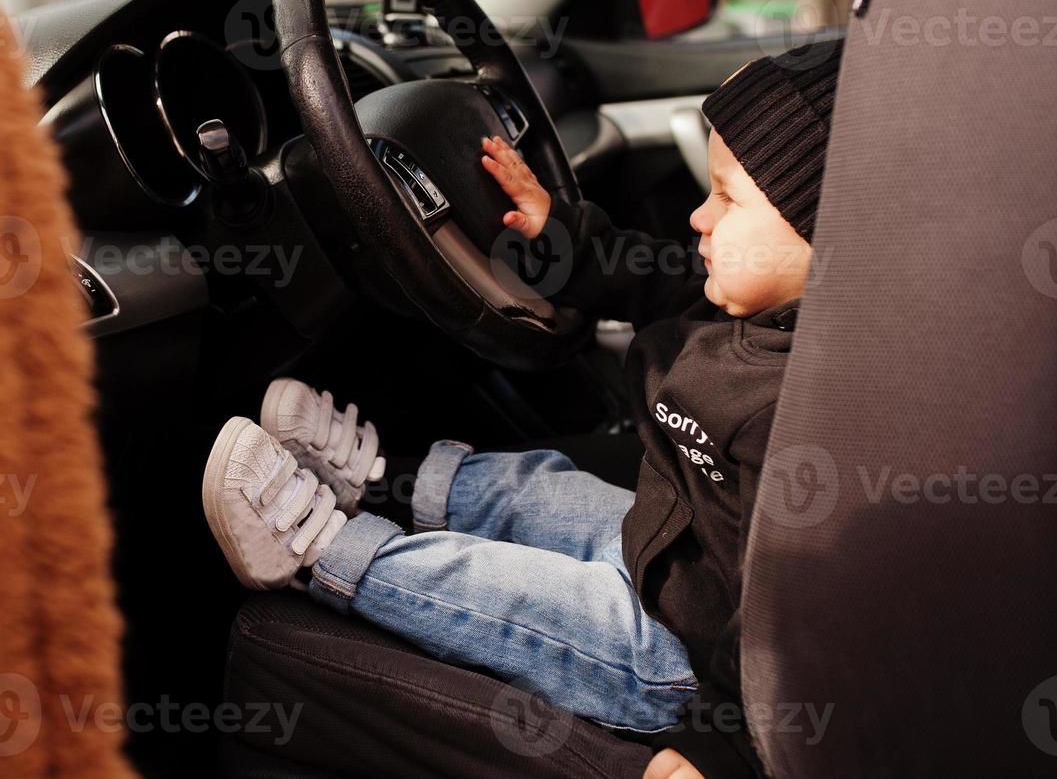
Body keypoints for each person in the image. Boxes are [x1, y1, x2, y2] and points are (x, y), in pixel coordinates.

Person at [202, 38, 845, 777]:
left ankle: (319, 555)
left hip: (674, 658)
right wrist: (559, 234)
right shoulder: (752, 313)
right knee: (532, 484)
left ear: (828, 235)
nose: (699, 218)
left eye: (727, 199)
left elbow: (784, 627)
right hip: (670, 547)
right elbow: (658, 284)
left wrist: (717, 749)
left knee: (489, 589)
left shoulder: (801, 416)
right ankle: (374, 482)